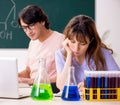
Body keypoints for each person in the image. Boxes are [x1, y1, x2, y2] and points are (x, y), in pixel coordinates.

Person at [55, 15, 120, 92]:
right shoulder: (60, 54)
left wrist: (91, 85)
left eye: (82, 44)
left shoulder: (102, 53)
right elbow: (61, 86)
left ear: (91, 40)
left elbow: (118, 81)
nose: (76, 48)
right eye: (72, 42)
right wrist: (69, 55)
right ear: (67, 39)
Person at [18, 5, 64, 93]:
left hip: (52, 92)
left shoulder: (61, 41)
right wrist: (15, 76)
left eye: (31, 26)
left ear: (42, 21)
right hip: (34, 91)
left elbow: (65, 76)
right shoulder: (32, 42)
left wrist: (34, 80)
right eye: (24, 28)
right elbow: (28, 71)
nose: (28, 32)